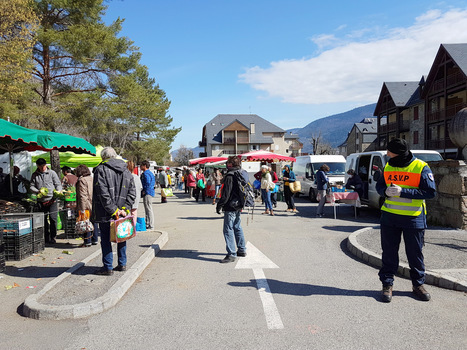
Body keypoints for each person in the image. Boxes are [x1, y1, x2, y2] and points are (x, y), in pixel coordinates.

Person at [376, 138, 436, 303]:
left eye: (390, 152)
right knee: (388, 253)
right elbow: (379, 186)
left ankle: (418, 285)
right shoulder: (388, 166)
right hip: (389, 217)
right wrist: (385, 191)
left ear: (400, 154)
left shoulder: (421, 166)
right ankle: (387, 284)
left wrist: (403, 192)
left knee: (415, 254)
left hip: (413, 218)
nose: (387, 154)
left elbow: (430, 192)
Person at [92, 147, 136, 275]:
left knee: (105, 239)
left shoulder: (101, 170)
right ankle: (122, 264)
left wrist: (114, 210)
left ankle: (108, 267)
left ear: (103, 157)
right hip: (121, 212)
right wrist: (124, 209)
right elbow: (132, 192)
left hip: (106, 213)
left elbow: (102, 194)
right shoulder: (126, 170)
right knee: (122, 236)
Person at [216, 155, 247, 263]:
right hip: (239, 204)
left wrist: (219, 205)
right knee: (237, 227)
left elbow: (226, 194)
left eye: (227, 163)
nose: (226, 164)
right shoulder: (240, 172)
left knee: (228, 229)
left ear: (230, 164)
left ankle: (231, 254)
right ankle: (242, 249)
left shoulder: (230, 175)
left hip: (231, 205)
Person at [30, 158, 62, 244]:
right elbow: (31, 186)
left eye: (43, 166)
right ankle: (46, 238)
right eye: (40, 167)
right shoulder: (34, 175)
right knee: (43, 220)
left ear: (45, 165)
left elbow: (58, 184)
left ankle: (53, 237)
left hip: (52, 200)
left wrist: (58, 191)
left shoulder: (52, 173)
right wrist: (37, 191)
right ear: (37, 166)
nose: (42, 168)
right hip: (41, 201)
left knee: (53, 219)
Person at [75, 164, 97, 247]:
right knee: (93, 221)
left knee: (85, 222)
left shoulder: (82, 180)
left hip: (86, 204)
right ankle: (95, 239)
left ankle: (87, 241)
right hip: (93, 203)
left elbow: (82, 195)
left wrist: (82, 208)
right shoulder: (91, 178)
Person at [140, 160, 155, 229]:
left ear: (145, 166)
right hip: (150, 192)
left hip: (147, 192)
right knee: (148, 208)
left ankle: (150, 224)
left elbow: (147, 183)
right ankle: (148, 223)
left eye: (141, 165)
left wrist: (144, 190)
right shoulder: (150, 173)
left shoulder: (146, 174)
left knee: (148, 209)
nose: (140, 167)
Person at [127, 161, 142, 227]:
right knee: (134, 213)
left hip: (128, 197)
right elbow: (141, 187)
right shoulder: (137, 177)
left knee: (127, 213)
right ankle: (133, 227)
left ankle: (128, 227)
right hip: (136, 197)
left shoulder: (127, 177)